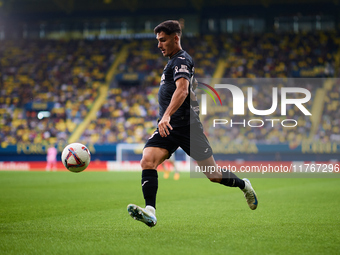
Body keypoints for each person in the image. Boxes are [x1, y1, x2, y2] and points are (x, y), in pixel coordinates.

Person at [127, 20, 258, 227]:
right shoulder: (172, 62)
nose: (159, 45)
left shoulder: (181, 59)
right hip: (169, 127)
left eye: (163, 40)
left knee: (214, 175)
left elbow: (182, 90)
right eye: (158, 41)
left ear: (175, 38)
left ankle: (244, 185)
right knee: (148, 160)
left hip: (187, 127)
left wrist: (167, 114)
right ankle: (150, 211)